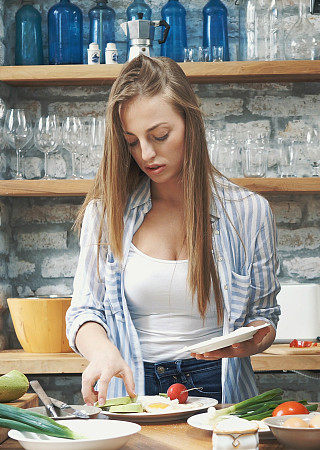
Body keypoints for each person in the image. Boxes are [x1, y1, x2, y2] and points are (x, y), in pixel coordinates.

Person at [66, 56, 280, 406]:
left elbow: (265, 316)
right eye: (132, 142)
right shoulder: (106, 214)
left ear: (190, 124)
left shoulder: (249, 212)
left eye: (160, 136)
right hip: (135, 389)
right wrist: (102, 353)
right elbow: (84, 312)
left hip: (222, 389)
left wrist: (254, 339)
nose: (147, 154)